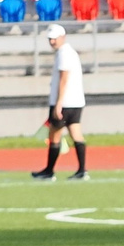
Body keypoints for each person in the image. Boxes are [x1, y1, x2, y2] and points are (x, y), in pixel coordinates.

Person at [30, 21, 87, 180]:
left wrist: (59, 103)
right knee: (76, 133)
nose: (52, 41)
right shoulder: (70, 52)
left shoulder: (64, 53)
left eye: (54, 38)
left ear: (63, 37)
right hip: (76, 102)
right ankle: (82, 170)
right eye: (50, 39)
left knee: (54, 135)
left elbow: (64, 79)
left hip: (65, 103)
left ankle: (49, 171)